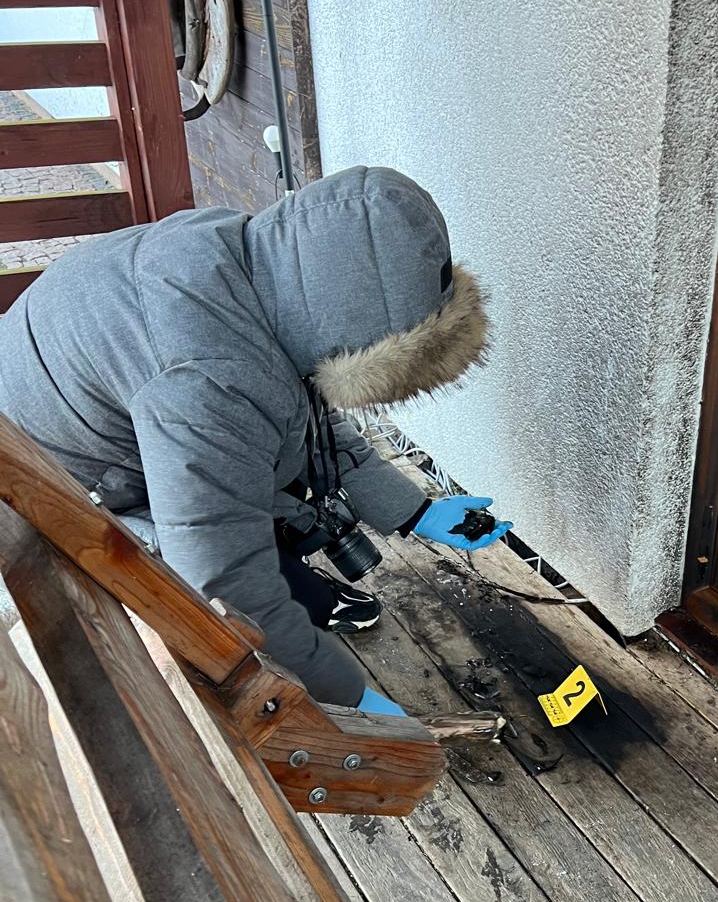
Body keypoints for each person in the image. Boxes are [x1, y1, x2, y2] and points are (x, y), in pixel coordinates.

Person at [0, 166, 510, 716]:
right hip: (47, 498)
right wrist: (348, 701)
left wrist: (414, 511)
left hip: (84, 432)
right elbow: (220, 574)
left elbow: (305, 414)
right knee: (231, 580)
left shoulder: (238, 256)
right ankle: (302, 606)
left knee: (262, 487)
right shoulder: (209, 376)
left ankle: (304, 595)